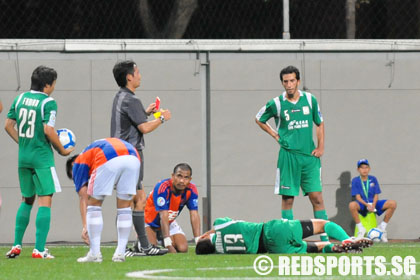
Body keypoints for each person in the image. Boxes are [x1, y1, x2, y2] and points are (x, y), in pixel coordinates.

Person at [4, 66, 74, 259]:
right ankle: (39, 249)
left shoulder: (19, 99)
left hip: (24, 157)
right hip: (42, 158)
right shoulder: (48, 103)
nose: (54, 88)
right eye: (53, 84)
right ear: (46, 85)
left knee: (27, 199)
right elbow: (48, 130)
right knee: (45, 200)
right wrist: (62, 150)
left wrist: (23, 142)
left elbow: (8, 125)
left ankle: (16, 245)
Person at [255, 65, 329, 241]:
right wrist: (275, 135)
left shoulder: (310, 100)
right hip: (288, 157)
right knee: (288, 199)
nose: (289, 84)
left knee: (317, 197)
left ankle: (325, 240)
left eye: (292, 81)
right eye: (285, 81)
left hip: (309, 158)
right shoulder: (277, 103)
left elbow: (319, 123)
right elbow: (259, 118)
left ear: (298, 81)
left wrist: (321, 147)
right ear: (282, 83)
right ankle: (288, 238)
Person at [111, 60, 171, 256]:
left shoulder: (122, 97)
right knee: (131, 201)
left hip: (119, 153)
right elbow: (144, 128)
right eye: (137, 72)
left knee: (136, 199)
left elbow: (133, 122)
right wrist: (161, 119)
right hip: (129, 155)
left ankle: (139, 246)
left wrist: (144, 113)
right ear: (129, 77)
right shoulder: (131, 100)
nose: (140, 75)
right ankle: (132, 247)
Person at [66, 138, 143, 262]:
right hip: (133, 156)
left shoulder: (78, 164)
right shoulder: (91, 152)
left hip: (108, 157)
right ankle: (120, 254)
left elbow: (84, 197)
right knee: (124, 206)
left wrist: (85, 226)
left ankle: (94, 254)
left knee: (94, 204)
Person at [196, 217, 373, 255]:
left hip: (272, 249)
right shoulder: (220, 226)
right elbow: (219, 224)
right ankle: (346, 240)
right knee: (322, 225)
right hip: (270, 230)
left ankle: (336, 248)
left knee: (314, 248)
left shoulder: (220, 251)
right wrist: (206, 233)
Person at [145, 163, 201, 253]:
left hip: (169, 221)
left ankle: (160, 237)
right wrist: (168, 243)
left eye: (186, 177)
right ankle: (142, 242)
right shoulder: (162, 187)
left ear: (190, 179)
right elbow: (163, 215)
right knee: (152, 249)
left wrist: (198, 241)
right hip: (149, 222)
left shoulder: (192, 189)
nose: (182, 181)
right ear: (173, 176)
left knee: (183, 248)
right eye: (179, 176)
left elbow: (194, 213)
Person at [349, 159, 397, 242]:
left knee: (392, 203)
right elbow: (358, 197)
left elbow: (376, 194)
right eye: (362, 168)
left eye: (366, 167)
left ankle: (382, 227)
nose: (364, 170)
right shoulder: (355, 180)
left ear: (369, 169)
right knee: (352, 205)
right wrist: (367, 205)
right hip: (362, 204)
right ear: (358, 170)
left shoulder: (373, 179)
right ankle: (361, 229)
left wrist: (373, 205)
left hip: (374, 203)